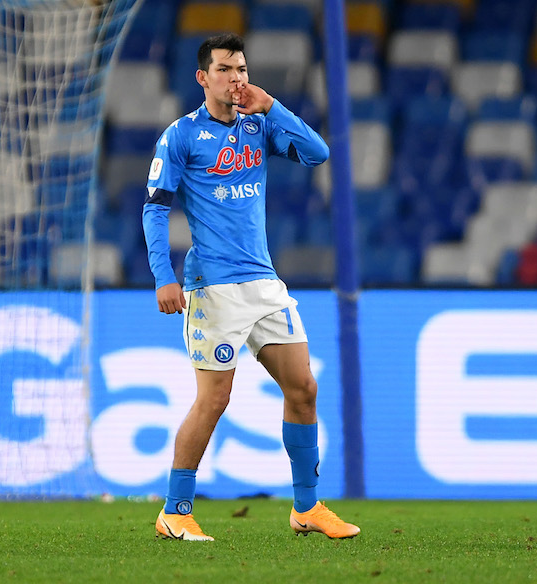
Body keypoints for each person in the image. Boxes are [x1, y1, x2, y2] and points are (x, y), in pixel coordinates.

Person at [142, 33, 359, 541]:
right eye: (224, 69)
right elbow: (155, 207)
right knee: (214, 400)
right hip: (213, 288)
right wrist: (163, 276)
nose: (235, 78)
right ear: (203, 78)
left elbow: (318, 153)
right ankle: (174, 511)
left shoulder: (258, 127)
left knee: (303, 388)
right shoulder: (180, 136)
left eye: (240, 68)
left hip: (264, 283)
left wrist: (274, 106)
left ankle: (306, 507)